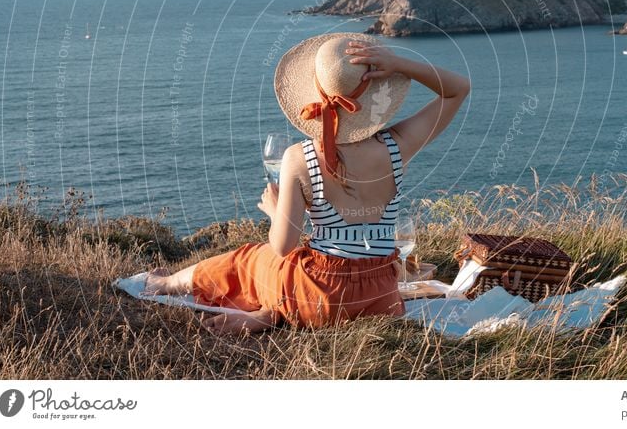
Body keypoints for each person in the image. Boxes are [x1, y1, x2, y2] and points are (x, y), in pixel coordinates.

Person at [142, 32, 470, 335]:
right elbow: (458, 88)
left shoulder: (299, 157)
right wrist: (401, 64)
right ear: (377, 97)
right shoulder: (398, 146)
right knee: (293, 263)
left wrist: (275, 212)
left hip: (319, 299)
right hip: (382, 298)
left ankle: (168, 285)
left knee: (250, 258)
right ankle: (271, 311)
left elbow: (282, 246)